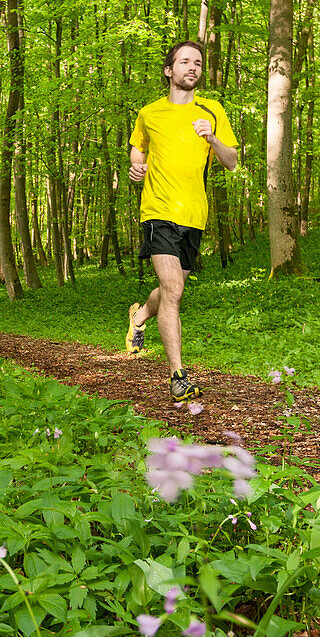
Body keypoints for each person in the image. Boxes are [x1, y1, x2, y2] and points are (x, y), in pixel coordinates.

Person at [126, 41, 238, 402]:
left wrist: (212, 137)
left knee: (172, 289)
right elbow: (137, 145)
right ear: (169, 70)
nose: (193, 67)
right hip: (157, 211)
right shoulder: (149, 113)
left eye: (199, 63)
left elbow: (232, 161)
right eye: (185, 61)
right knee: (173, 288)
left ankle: (140, 315)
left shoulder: (213, 110)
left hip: (194, 214)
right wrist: (136, 167)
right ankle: (177, 376)